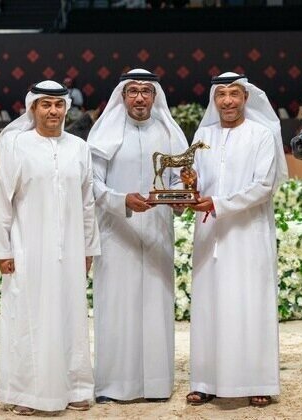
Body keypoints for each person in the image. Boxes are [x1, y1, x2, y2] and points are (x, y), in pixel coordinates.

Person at [0, 80, 100, 415]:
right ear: (33, 108)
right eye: (46, 105)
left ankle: (76, 387)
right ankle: (27, 393)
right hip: (28, 249)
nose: (53, 111)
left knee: (71, 317)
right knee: (30, 319)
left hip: (69, 251)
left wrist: (88, 248)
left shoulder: (78, 148)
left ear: (66, 108)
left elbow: (87, 203)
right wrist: (3, 249)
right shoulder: (17, 146)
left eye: (58, 105)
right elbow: (2, 201)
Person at [185, 72, 288, 407]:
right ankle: (205, 380)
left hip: (248, 235)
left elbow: (263, 187)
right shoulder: (203, 135)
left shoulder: (261, 135)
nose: (227, 101)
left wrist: (219, 204)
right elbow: (198, 182)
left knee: (249, 305)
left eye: (234, 94)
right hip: (210, 235)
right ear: (214, 100)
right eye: (221, 95)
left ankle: (257, 380)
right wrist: (190, 185)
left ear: (245, 97)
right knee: (209, 306)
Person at [87, 68, 187, 403]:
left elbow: (176, 182)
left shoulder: (169, 132)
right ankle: (115, 386)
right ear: (122, 96)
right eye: (133, 91)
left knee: (156, 306)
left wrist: (181, 199)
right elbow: (93, 185)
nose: (140, 97)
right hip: (117, 235)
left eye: (146, 91)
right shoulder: (106, 133)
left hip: (158, 234)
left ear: (155, 96)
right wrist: (121, 201)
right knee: (117, 307)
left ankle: (156, 385)